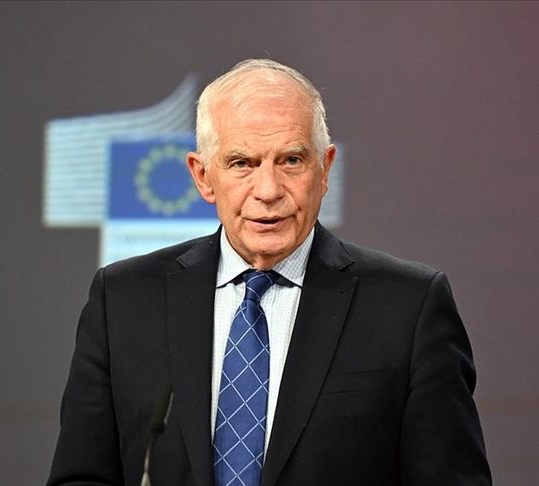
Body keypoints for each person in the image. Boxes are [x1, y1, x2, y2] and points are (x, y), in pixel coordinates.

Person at [47, 59, 492, 486]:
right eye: (242, 163)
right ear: (203, 176)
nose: (268, 190)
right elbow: (82, 476)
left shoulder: (409, 307)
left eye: (291, 160)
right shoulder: (122, 301)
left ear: (325, 169)